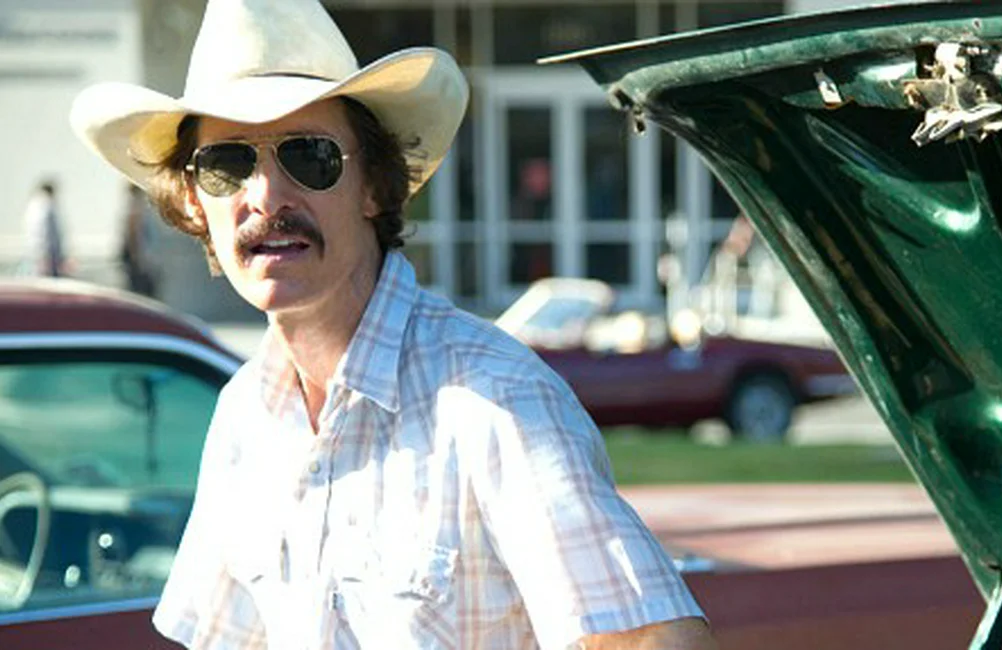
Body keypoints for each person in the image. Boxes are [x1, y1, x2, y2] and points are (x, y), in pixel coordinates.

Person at [69, 1, 715, 648]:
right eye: (226, 166)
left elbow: (660, 642)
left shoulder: (493, 400)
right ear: (192, 200)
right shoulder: (245, 416)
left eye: (310, 157)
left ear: (375, 187)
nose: (265, 196)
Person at [20, 179, 66, 277]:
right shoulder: (46, 206)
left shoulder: (32, 205)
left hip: (33, 252)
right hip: (46, 254)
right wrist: (49, 254)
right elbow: (47, 232)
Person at [120, 184, 159, 297]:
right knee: (142, 291)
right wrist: (137, 257)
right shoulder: (138, 206)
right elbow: (134, 234)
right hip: (139, 259)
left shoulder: (136, 205)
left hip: (140, 257)